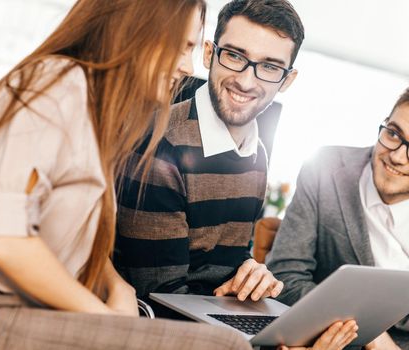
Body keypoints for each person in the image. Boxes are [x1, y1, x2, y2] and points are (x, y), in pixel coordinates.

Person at [0, 1, 260, 349]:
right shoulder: (55, 82)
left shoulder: (98, 113)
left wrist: (118, 287)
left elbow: (68, 234)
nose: (186, 66)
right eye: (181, 46)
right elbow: (6, 241)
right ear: (133, 29)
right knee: (226, 346)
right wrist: (102, 319)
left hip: (31, 312)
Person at [115, 0, 301, 302]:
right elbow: (159, 298)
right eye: (235, 55)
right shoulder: (159, 145)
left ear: (287, 80)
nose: (245, 80)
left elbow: (226, 260)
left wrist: (251, 273)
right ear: (208, 54)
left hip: (214, 316)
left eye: (269, 66)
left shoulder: (257, 156)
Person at [266, 82, 409, 350]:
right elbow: (284, 277)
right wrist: (370, 331)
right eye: (394, 133)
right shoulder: (325, 168)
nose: (397, 157)